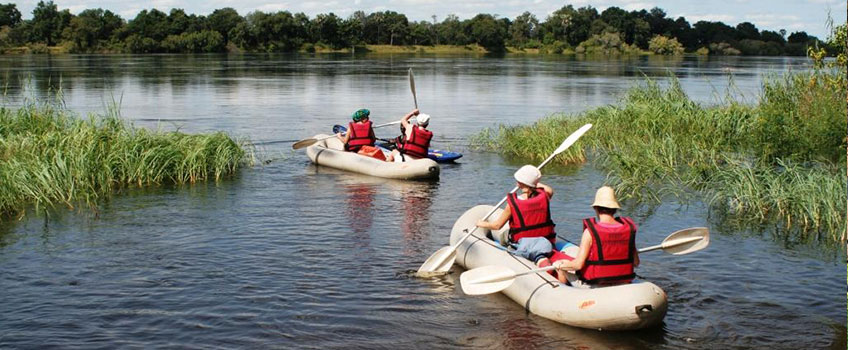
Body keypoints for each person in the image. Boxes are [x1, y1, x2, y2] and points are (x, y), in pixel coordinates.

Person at [551, 186, 640, 286]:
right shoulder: (628, 230)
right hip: (622, 281)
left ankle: (565, 293)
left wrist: (561, 264)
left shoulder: (590, 232)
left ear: (596, 208)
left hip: (595, 284)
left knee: (561, 267)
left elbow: (578, 265)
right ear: (615, 209)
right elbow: (636, 262)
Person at [476, 165, 556, 267]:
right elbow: (549, 189)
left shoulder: (513, 204)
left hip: (523, 243)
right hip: (546, 240)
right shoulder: (545, 196)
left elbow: (497, 226)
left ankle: (509, 257)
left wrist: (481, 224)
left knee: (504, 236)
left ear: (520, 183)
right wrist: (534, 182)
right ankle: (540, 258)